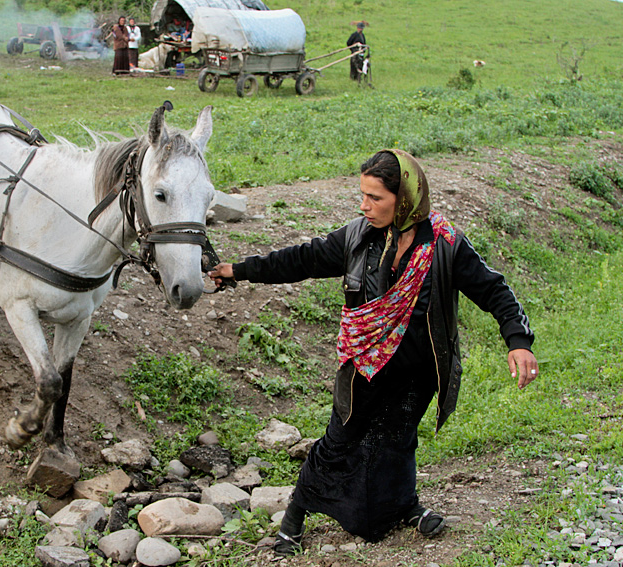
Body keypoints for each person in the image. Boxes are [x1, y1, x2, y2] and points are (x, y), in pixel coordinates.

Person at [208, 149, 539, 552]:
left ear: (405, 199)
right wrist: (239, 270)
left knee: (398, 441)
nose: (364, 206)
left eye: (375, 198)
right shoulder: (357, 237)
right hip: (364, 365)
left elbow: (494, 290)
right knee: (339, 439)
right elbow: (303, 260)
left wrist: (518, 343)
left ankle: (406, 507)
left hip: (418, 372)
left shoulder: (445, 245)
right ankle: (294, 517)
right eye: (362, 195)